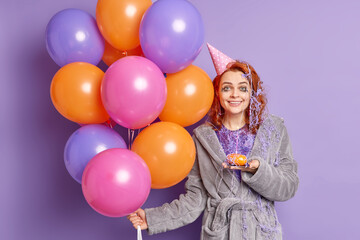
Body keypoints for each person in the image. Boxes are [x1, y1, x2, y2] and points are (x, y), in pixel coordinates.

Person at [127, 43, 299, 240]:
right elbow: (195, 199)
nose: (235, 95)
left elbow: (289, 186)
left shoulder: (273, 130)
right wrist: (152, 218)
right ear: (217, 93)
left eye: (243, 88)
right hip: (219, 232)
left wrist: (258, 169)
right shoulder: (203, 137)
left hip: (261, 231)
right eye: (227, 88)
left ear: (252, 93)